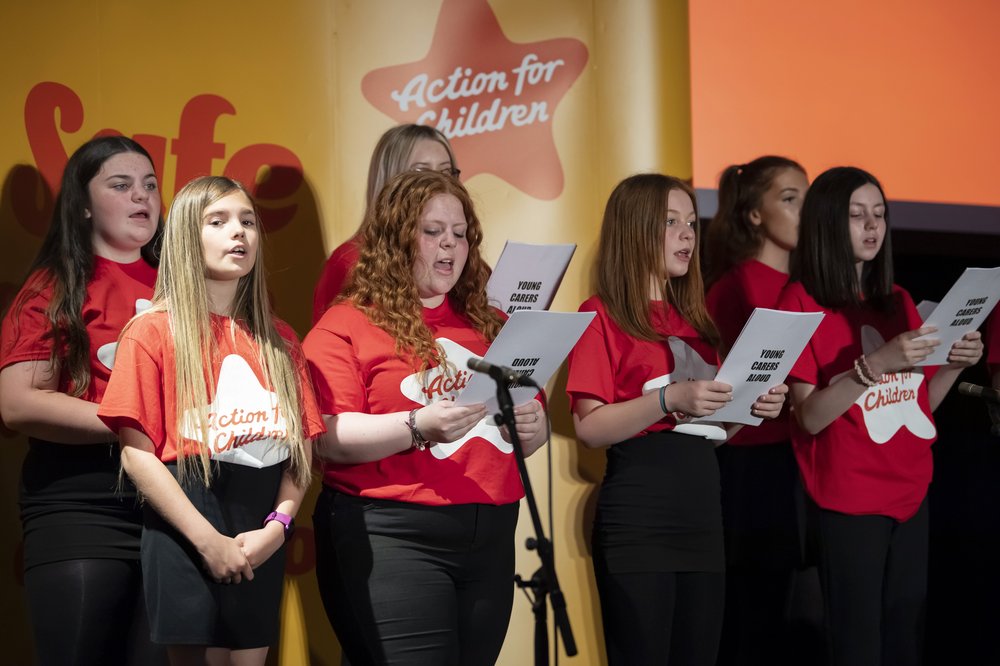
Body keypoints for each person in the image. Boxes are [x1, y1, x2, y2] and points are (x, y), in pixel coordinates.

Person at [303, 170, 547, 665]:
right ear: (396, 240)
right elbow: (325, 434)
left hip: (491, 531)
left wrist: (533, 427)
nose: (450, 244)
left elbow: (525, 421)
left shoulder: (492, 322)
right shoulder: (346, 324)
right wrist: (417, 427)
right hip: (393, 533)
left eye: (460, 233)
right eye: (433, 231)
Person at [97, 176, 323, 666]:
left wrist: (277, 528)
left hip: (259, 534)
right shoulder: (151, 331)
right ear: (185, 236)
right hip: (187, 527)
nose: (238, 232)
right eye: (217, 222)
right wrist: (208, 542)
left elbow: (300, 456)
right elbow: (137, 455)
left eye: (247, 222)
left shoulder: (281, 341)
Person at [565, 173, 787, 666]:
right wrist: (668, 398)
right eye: (670, 222)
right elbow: (589, 426)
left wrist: (748, 411)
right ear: (635, 229)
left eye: (690, 222)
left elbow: (710, 433)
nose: (687, 234)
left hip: (703, 518)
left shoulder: (698, 323)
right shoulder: (601, 314)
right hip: (639, 519)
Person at [775, 166, 983, 666]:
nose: (872, 226)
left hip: (910, 493)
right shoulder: (799, 302)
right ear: (827, 221)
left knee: (904, 642)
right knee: (858, 646)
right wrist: (876, 364)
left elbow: (917, 408)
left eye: (879, 214)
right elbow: (809, 417)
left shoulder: (898, 300)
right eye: (856, 215)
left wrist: (954, 365)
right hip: (850, 499)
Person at [0, 136, 164, 666]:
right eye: (121, 184)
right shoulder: (55, 286)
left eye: (150, 184)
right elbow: (19, 403)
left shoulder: (184, 286)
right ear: (85, 204)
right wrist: (138, 421)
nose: (141, 195)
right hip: (82, 503)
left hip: (176, 506)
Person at [704, 156, 814, 666]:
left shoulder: (811, 285)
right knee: (753, 611)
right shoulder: (737, 287)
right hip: (751, 463)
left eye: (808, 199)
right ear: (754, 214)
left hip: (801, 457)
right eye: (790, 199)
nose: (804, 211)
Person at [312, 123, 459, 323]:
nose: (437, 182)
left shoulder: (465, 260)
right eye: (421, 172)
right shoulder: (350, 262)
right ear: (390, 179)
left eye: (446, 172)